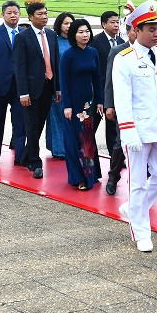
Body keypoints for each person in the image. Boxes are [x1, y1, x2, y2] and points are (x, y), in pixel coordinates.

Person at [113, 0, 157, 252]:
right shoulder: (125, 59)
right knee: (138, 183)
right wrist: (128, 131)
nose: (156, 34)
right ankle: (141, 231)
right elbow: (122, 100)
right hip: (139, 131)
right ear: (136, 30)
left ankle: (133, 208)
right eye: (151, 29)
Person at [13, 0, 61, 179]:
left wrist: (58, 88)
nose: (44, 17)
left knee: (39, 124)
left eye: (46, 13)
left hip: (48, 87)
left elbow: (54, 62)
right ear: (30, 17)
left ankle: (25, 156)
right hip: (31, 90)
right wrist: (23, 92)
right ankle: (35, 162)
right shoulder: (22, 37)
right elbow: (20, 67)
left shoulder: (51, 35)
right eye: (40, 14)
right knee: (31, 126)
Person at [59, 19, 105, 190]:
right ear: (73, 35)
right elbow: (63, 81)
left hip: (89, 104)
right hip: (73, 103)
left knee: (88, 139)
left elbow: (97, 78)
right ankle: (78, 177)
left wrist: (100, 101)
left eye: (87, 31)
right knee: (74, 141)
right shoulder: (68, 55)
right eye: (80, 32)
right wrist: (67, 106)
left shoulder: (93, 52)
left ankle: (91, 175)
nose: (85, 35)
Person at [0, 1, 27, 167]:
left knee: (20, 122)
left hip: (20, 85)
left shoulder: (24, 33)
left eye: (15, 12)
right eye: (9, 13)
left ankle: (20, 156)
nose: (13, 15)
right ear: (3, 15)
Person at [90, 10, 124, 180]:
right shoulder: (95, 42)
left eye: (118, 22)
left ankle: (115, 158)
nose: (116, 25)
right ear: (104, 24)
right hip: (98, 91)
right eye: (112, 22)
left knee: (113, 129)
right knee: (92, 128)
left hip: (116, 93)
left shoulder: (122, 42)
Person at [102, 20, 135, 194]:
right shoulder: (118, 51)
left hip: (145, 107)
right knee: (120, 142)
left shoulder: (155, 52)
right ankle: (113, 176)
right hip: (123, 105)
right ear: (128, 32)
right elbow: (110, 81)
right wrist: (109, 105)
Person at [45, 12, 74, 160]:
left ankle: (72, 147)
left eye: (71, 23)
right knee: (57, 117)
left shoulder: (77, 41)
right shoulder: (54, 41)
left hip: (75, 85)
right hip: (59, 85)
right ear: (59, 25)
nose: (68, 26)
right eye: (65, 23)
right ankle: (59, 149)